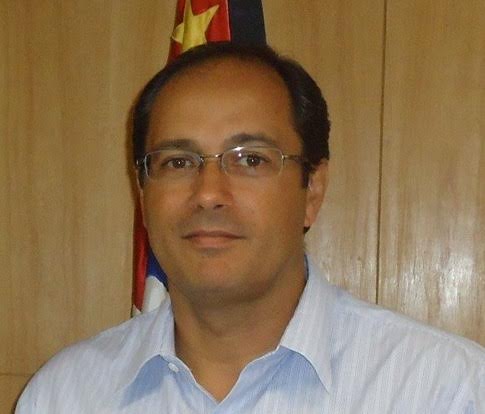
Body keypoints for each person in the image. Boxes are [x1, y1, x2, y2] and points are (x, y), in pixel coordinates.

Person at [16, 42, 484, 413]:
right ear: (142, 193)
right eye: (178, 161)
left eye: (251, 160)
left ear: (312, 190)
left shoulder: (446, 391)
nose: (208, 193)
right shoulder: (64, 396)